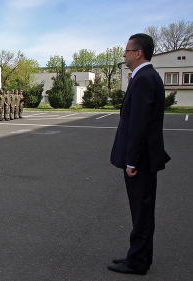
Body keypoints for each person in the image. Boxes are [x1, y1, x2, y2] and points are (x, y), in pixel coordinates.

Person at [108, 33, 171, 276]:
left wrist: (131, 160)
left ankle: (137, 262)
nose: (124, 54)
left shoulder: (144, 78)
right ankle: (141, 256)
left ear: (138, 53)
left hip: (141, 159)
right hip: (144, 157)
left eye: (127, 50)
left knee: (141, 211)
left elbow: (139, 125)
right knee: (142, 210)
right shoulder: (145, 76)